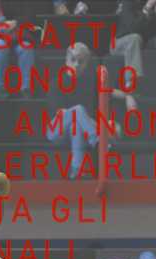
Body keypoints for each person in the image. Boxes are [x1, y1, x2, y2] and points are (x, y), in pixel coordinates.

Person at [46, 42, 138, 178]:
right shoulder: (56, 82)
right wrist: (102, 127)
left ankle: (77, 168)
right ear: (66, 60)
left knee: (76, 126)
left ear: (86, 63)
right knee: (78, 111)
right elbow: (60, 114)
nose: (76, 64)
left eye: (81, 61)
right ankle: (99, 139)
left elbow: (109, 91)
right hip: (56, 129)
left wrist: (127, 96)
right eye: (73, 60)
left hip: (77, 128)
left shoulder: (89, 81)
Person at [112, 0, 156, 93]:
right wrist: (146, 9)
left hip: (143, 43)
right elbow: (133, 28)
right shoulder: (127, 3)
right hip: (120, 43)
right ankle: (132, 82)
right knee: (135, 38)